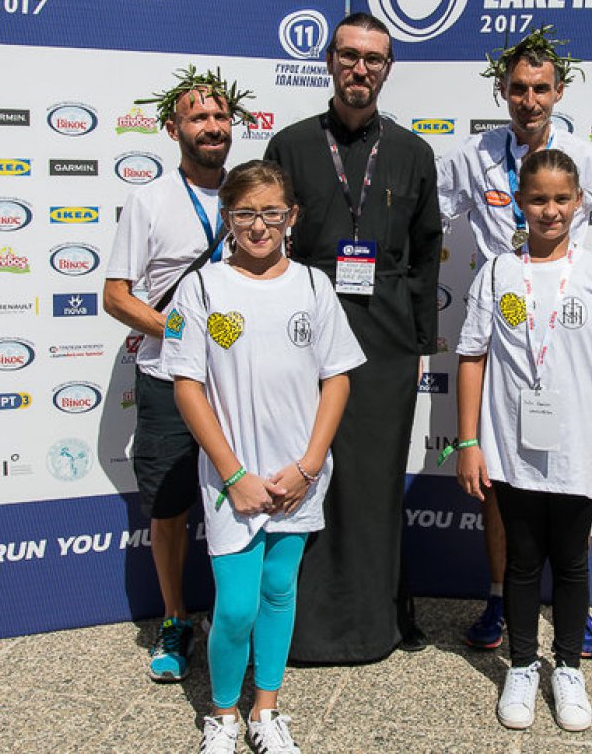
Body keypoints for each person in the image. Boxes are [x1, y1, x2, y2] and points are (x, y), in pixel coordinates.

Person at [437, 26, 592, 657]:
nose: (529, 100)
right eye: (518, 89)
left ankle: (570, 608)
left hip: (565, 328)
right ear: (502, 91)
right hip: (503, 323)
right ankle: (499, 597)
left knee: (571, 475)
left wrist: (586, 267)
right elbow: (430, 214)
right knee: (500, 478)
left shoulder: (583, 156)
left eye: (540, 89)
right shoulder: (473, 154)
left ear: (558, 92)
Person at [162, 160, 365, 754]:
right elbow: (187, 387)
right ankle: (223, 715)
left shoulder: (313, 286)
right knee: (235, 607)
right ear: (227, 217)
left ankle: (266, 711)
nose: (258, 226)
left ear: (291, 216)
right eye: (245, 213)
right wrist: (234, 475)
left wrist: (308, 467)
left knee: (279, 590)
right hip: (235, 482)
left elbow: (337, 378)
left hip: (297, 476)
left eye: (271, 212)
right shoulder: (201, 289)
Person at [263, 12, 443, 663]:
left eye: (373, 59)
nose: (359, 69)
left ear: (388, 69)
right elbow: (264, 242)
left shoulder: (414, 153)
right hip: (306, 327)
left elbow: (426, 253)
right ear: (330, 61)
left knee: (374, 476)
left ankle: (380, 617)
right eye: (348, 55)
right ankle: (300, 623)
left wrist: (419, 343)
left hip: (386, 335)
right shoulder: (289, 145)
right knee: (308, 468)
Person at [453, 148, 592, 732]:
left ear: (579, 203)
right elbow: (471, 358)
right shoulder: (496, 272)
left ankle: (568, 668)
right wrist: (467, 442)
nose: (550, 210)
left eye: (561, 199)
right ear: (519, 203)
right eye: (538, 199)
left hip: (577, 445)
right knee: (523, 560)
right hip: (512, 447)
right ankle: (522, 666)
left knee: (573, 561)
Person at [105, 66, 253, 682]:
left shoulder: (250, 194)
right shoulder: (149, 200)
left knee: (242, 500)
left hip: (237, 382)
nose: (212, 127)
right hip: (168, 378)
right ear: (174, 128)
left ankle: (234, 617)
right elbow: (116, 296)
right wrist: (177, 329)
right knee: (168, 509)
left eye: (220, 117)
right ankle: (174, 618)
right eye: (199, 117)